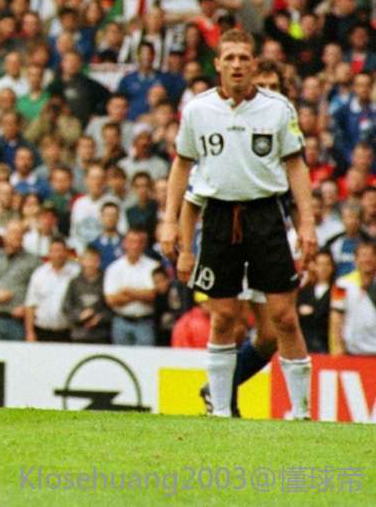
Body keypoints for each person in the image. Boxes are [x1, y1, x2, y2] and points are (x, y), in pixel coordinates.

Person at [163, 28, 317, 419]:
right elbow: (181, 165)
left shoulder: (278, 108)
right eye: (229, 57)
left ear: (253, 63)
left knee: (283, 317)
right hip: (219, 216)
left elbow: (296, 165)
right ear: (217, 63)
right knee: (224, 318)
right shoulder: (198, 110)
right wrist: (169, 223)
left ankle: (301, 413)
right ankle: (219, 411)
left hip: (266, 216)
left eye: (243, 58)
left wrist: (307, 224)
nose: (236, 65)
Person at [0, 220, 40, 340]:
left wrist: (26, 307)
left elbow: (40, 290)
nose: (17, 236)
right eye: (14, 232)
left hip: (20, 321)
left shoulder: (33, 261)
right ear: (5, 235)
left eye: (20, 233)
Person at [103, 228, 159, 345]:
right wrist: (140, 294)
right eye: (132, 241)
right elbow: (111, 300)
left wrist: (127, 291)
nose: (135, 246)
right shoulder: (114, 268)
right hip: (120, 322)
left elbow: (152, 295)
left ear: (144, 244)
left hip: (145, 322)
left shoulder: (153, 266)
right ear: (124, 243)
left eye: (139, 242)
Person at [24, 238, 79, 342]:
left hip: (67, 333)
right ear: (49, 253)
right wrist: (29, 332)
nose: (58, 254)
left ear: (67, 253)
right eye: (55, 251)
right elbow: (30, 305)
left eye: (61, 250)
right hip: (42, 331)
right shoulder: (39, 274)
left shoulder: (75, 274)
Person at [62, 246, 111, 343]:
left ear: (99, 262)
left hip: (101, 335)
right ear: (82, 261)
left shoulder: (107, 281)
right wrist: (79, 315)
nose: (90, 264)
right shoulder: (74, 283)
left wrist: (100, 318)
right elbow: (66, 307)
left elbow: (113, 307)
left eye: (94, 260)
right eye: (88, 260)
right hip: (78, 335)